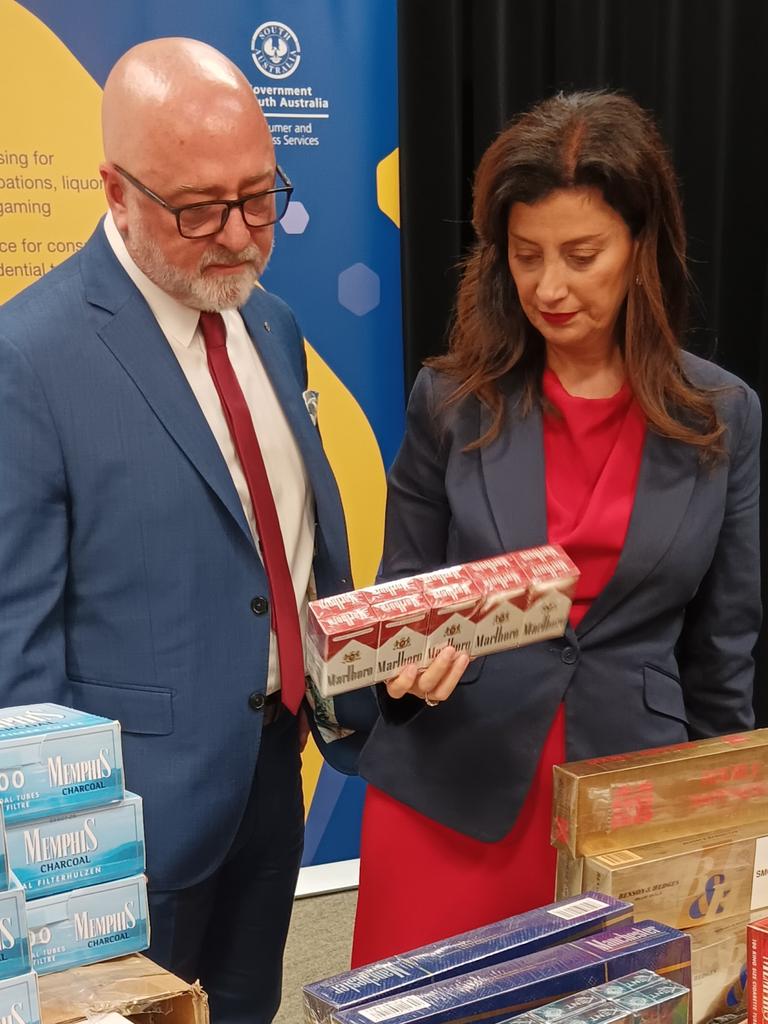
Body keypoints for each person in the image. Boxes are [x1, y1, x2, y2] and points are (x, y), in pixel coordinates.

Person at [0, 37, 470, 1024]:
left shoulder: (272, 324)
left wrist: (378, 655)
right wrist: (55, 881)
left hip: (273, 779)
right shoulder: (29, 359)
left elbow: (289, 558)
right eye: (199, 208)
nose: (241, 235)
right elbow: (17, 651)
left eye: (261, 197)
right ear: (115, 191)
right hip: (122, 832)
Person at [351, 89, 761, 967]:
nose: (549, 287)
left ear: (641, 248)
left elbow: (723, 649)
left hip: (631, 803)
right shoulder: (451, 403)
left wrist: (732, 817)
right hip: (451, 794)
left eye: (582, 255)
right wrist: (401, 675)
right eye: (526, 255)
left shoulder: (723, 415)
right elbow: (400, 599)